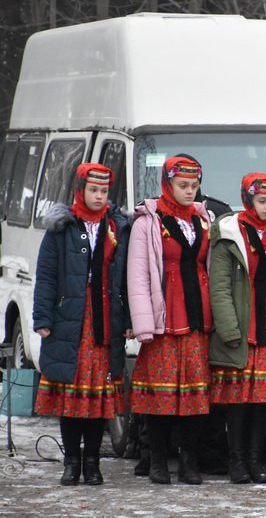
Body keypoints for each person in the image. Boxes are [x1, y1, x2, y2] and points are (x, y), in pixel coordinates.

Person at [32, 163, 131, 486]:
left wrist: (128, 319)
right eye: (93, 190)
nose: (100, 197)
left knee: (98, 401)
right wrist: (43, 317)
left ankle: (93, 463)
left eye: (104, 191)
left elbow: (125, 278)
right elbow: (46, 275)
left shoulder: (117, 226)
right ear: (80, 190)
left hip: (104, 324)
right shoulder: (62, 228)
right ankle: (71, 461)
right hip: (69, 323)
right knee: (72, 401)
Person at [127, 156, 212, 485]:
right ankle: (158, 459)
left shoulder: (204, 221)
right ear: (168, 184)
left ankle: (188, 461)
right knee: (160, 396)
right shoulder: (148, 222)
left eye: (194, 186)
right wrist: (144, 323)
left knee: (194, 396)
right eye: (183, 186)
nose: (190, 191)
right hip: (164, 319)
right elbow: (138, 276)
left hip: (195, 318)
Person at [208, 173, 266, 484]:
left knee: (261, 402)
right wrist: (229, 328)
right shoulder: (229, 233)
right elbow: (220, 287)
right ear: (247, 200)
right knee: (238, 401)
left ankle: (257, 461)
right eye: (262, 201)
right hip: (243, 324)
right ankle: (237, 461)